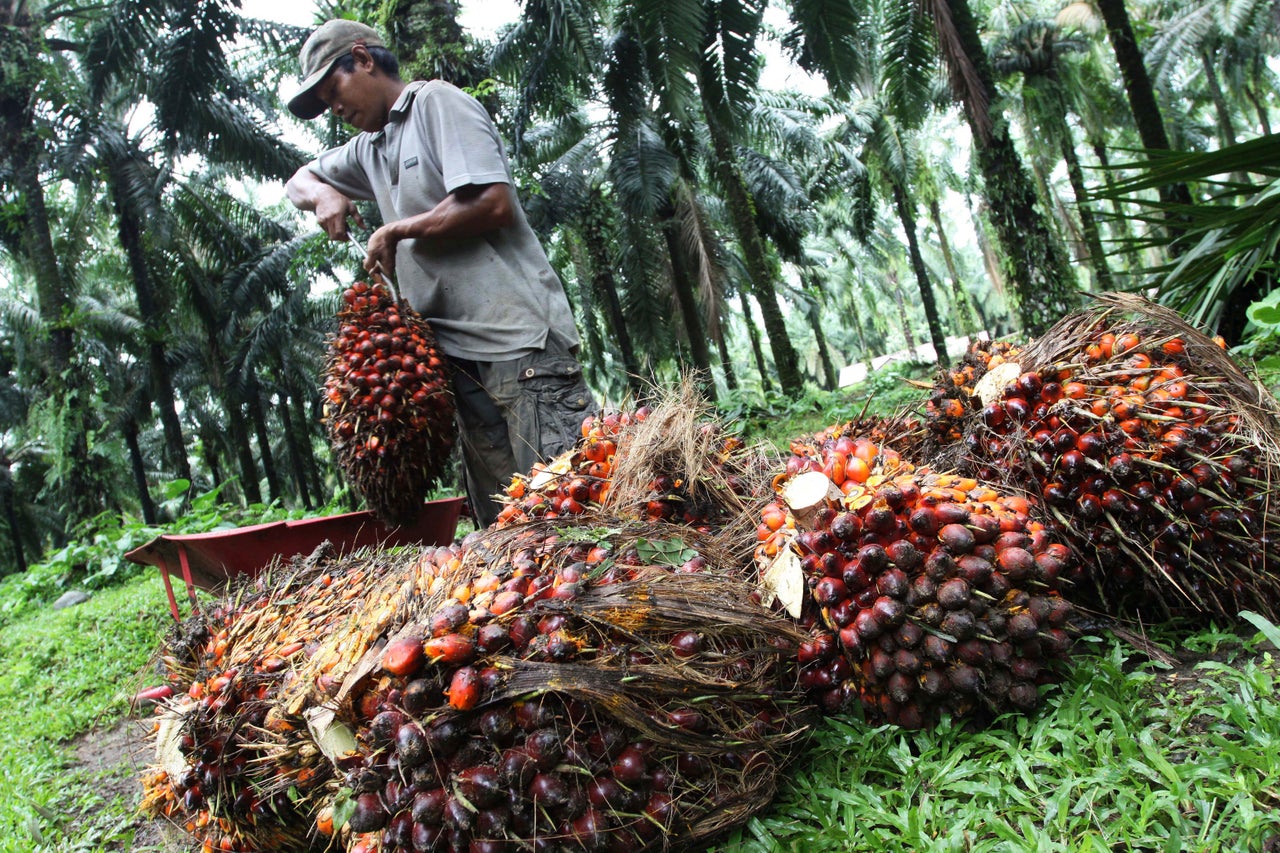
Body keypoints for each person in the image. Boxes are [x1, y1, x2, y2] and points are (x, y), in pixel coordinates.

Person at [285, 19, 595, 528]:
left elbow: (491, 203)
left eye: (332, 90)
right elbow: (299, 178)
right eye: (322, 103)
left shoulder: (436, 104)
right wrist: (323, 193)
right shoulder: (370, 149)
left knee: (580, 513)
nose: (334, 110)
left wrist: (396, 231)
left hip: (520, 350)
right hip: (457, 365)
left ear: (363, 59)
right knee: (513, 531)